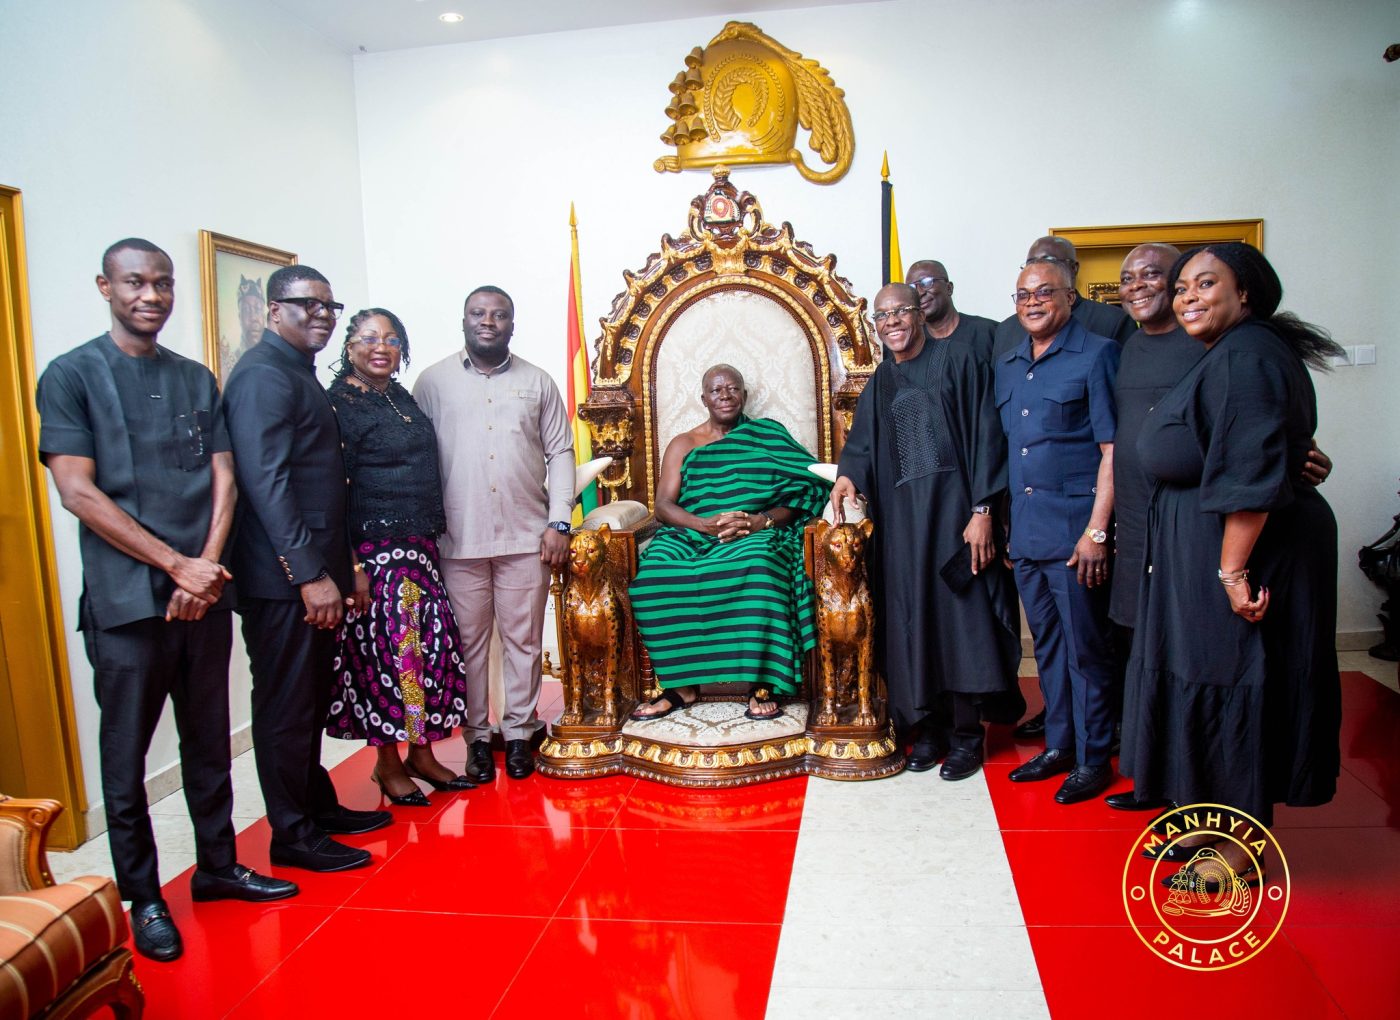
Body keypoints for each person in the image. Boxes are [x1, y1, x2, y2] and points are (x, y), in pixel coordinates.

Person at [36, 238, 296, 963]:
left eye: (162, 283)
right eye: (135, 283)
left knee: (209, 742)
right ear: (105, 286)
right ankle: (144, 896)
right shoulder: (71, 375)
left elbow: (225, 476)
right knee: (124, 761)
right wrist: (175, 566)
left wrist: (206, 569)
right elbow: (77, 491)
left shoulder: (194, 377)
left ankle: (216, 867)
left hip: (203, 595)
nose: (150, 295)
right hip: (127, 605)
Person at [1121, 243, 1343, 871]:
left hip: (1237, 553)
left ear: (1244, 292)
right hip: (1203, 545)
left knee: (1236, 686)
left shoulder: (1246, 356)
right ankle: (1204, 821)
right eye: (1183, 286)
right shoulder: (1234, 354)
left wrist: (1231, 571)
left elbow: (1249, 470)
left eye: (1205, 284)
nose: (1188, 296)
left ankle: (1239, 849)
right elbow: (1264, 441)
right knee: (1205, 679)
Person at [225, 265, 391, 874]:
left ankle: (315, 807)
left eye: (329, 306)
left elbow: (323, 484)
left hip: (316, 572)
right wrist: (309, 575)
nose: (321, 315)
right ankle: (291, 835)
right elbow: (266, 485)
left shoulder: (294, 372)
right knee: (285, 709)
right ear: (273, 310)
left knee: (309, 701)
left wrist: (344, 564)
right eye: (307, 305)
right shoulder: (263, 377)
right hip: (283, 583)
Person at [832, 286, 1021, 779]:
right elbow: (863, 445)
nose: (892, 321)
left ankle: (966, 736)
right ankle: (928, 729)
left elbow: (988, 437)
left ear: (919, 315)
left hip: (957, 521)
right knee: (913, 624)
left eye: (900, 311)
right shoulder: (881, 381)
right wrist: (849, 474)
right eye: (882, 315)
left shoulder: (960, 362)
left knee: (962, 625)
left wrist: (983, 510)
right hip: (903, 527)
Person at [414, 285, 574, 781]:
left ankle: (522, 733)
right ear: (464, 320)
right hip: (456, 541)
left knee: (524, 641)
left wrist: (559, 522)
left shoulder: (538, 381)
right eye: (478, 313)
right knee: (468, 645)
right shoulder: (432, 383)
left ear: (512, 323)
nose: (488, 321)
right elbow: (414, 456)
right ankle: (478, 740)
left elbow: (561, 453)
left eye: (499, 314)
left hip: (528, 538)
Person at [324, 308, 473, 804]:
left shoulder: (398, 396)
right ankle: (387, 765)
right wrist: (352, 567)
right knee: (389, 659)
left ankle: (423, 754)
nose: (380, 347)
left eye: (390, 339)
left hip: (421, 549)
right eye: (368, 339)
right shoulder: (340, 405)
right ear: (349, 347)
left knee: (427, 655)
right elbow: (333, 492)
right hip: (375, 555)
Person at [630, 365, 830, 721]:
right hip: (691, 532)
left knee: (760, 565)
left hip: (750, 532)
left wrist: (761, 521)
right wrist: (701, 525)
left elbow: (807, 488)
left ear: (744, 395)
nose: (725, 395)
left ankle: (762, 682)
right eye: (716, 390)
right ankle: (682, 686)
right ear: (704, 398)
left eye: (732, 388)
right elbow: (662, 506)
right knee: (653, 576)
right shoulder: (683, 443)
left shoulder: (767, 436)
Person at [996, 259, 1120, 804]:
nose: (1033, 302)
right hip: (1026, 535)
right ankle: (1060, 744)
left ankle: (1095, 758)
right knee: (1045, 648)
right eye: (1023, 294)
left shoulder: (1096, 354)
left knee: (1085, 651)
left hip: (1076, 537)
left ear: (1070, 297)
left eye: (1045, 292)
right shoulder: (1009, 364)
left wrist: (1096, 532)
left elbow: (1111, 452)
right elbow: (1010, 453)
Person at [993, 236, 1137, 362]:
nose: (1040, 268)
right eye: (1032, 263)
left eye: (1050, 261)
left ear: (1074, 268)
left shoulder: (1114, 321)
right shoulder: (1006, 330)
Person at [905, 259, 999, 363]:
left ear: (949, 288)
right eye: (911, 288)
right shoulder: (911, 342)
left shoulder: (989, 332)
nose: (919, 293)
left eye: (927, 282)